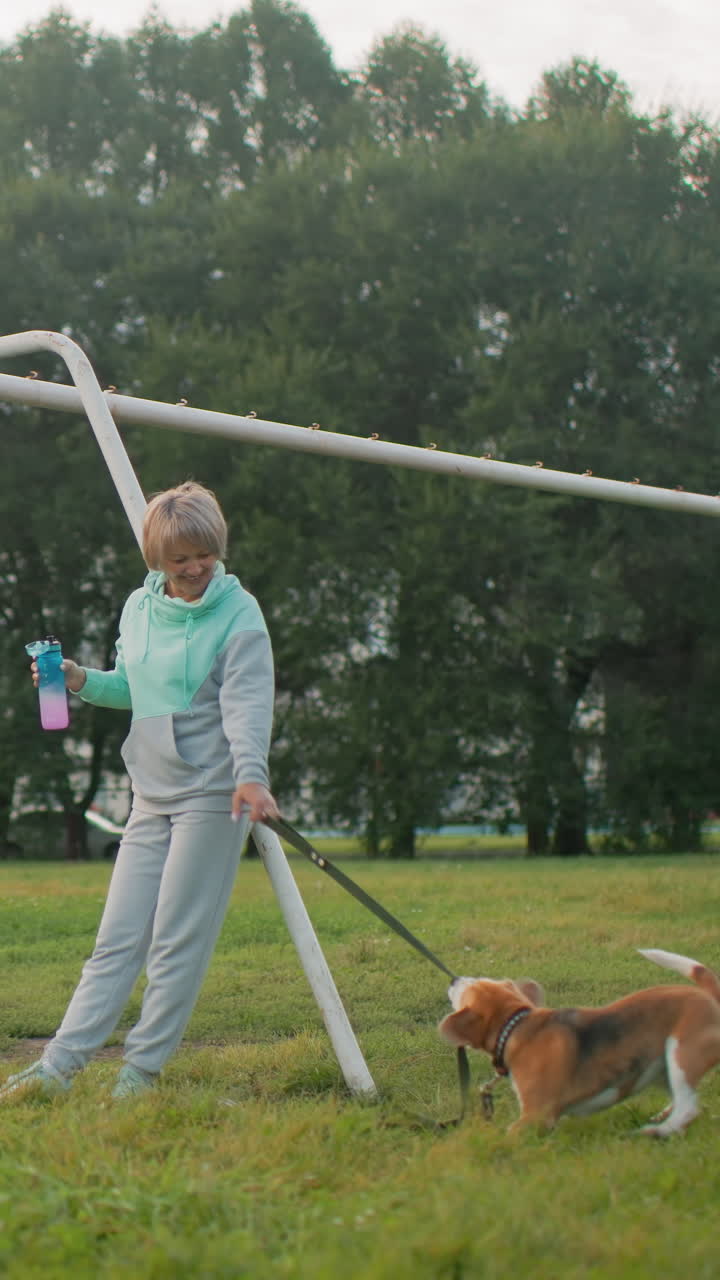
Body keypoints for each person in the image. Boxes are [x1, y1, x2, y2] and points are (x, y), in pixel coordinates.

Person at [1, 481, 278, 1101]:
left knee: (177, 940)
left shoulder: (239, 613)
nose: (196, 567)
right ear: (158, 560)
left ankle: (140, 1073)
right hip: (151, 795)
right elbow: (131, 686)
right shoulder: (139, 606)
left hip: (214, 795)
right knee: (117, 938)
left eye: (204, 553)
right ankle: (58, 1067)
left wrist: (251, 776)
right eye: (181, 558)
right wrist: (78, 680)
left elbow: (248, 704)